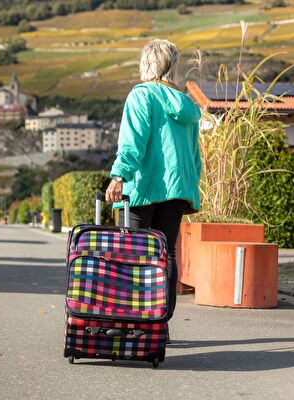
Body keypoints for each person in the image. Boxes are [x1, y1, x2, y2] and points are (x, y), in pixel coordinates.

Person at [105, 39, 202, 321]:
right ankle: (161, 323)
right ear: (172, 65)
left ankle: (132, 320)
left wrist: (118, 175)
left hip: (143, 187)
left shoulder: (142, 95)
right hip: (177, 189)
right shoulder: (186, 104)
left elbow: (133, 142)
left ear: (146, 63)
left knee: (132, 254)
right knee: (165, 254)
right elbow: (195, 156)